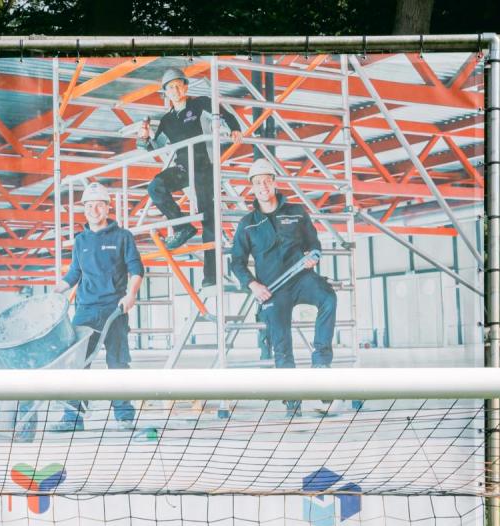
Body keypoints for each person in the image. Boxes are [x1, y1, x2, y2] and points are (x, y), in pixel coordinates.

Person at [227, 164, 336, 415]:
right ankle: (292, 400)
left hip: (301, 278)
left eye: (267, 180)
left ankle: (321, 363)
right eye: (257, 182)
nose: (263, 186)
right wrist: (253, 285)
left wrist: (313, 256)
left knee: (328, 298)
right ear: (252, 188)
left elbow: (314, 243)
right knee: (281, 343)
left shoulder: (296, 212)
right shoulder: (248, 224)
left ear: (274, 182)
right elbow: (237, 262)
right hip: (272, 290)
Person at [50, 184, 143, 435]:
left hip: (115, 309)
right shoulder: (80, 240)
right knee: (77, 363)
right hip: (85, 310)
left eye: (99, 205)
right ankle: (73, 418)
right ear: (84, 209)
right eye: (89, 206)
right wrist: (59, 289)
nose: (94, 210)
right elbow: (75, 272)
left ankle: (124, 416)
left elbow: (136, 269)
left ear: (108, 207)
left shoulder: (122, 236)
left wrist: (131, 294)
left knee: (118, 362)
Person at [134, 69, 239, 280]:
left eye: (177, 85)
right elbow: (156, 148)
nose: (174, 90)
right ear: (165, 93)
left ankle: (211, 276)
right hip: (183, 168)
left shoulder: (200, 104)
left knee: (209, 219)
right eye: (170, 88)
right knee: (155, 187)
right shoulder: (167, 120)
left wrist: (235, 128)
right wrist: (144, 139)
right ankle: (182, 227)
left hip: (205, 166)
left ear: (185, 87)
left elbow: (225, 115)